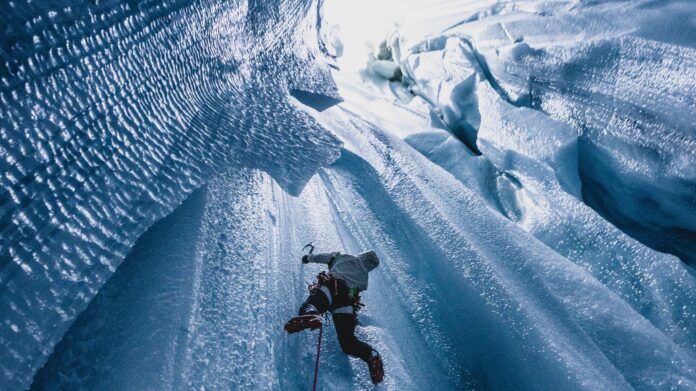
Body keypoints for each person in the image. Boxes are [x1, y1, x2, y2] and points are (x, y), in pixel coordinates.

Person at [285, 250, 384, 384]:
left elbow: (323, 257)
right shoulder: (364, 278)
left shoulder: (343, 256)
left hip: (332, 286)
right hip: (347, 302)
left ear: (362, 254)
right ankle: (370, 355)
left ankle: (312, 315)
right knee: (348, 342)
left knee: (312, 305)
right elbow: (355, 292)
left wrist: (307, 258)